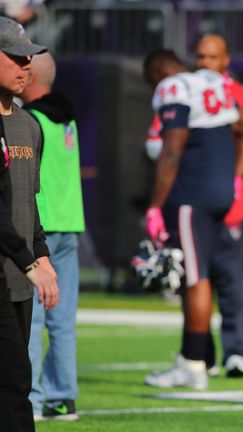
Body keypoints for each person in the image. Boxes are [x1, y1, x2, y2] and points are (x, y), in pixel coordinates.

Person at [141, 49, 243, 390]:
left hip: (194, 195)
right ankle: (191, 358)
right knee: (201, 275)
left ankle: (194, 363)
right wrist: (235, 177)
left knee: (195, 277)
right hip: (219, 194)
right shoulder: (211, 82)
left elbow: (173, 148)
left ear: (160, 72)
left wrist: (154, 205)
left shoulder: (173, 86)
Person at [0, 16, 59, 431]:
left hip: (20, 278)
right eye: (17, 57)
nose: (27, 66)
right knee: (15, 384)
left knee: (15, 385)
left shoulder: (30, 125)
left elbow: (28, 204)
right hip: (8, 271)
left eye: (30, 58)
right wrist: (27, 260)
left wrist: (42, 256)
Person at [193, 32, 243, 378]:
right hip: (193, 201)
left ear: (226, 60)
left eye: (212, 57)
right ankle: (199, 354)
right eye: (200, 57)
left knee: (230, 281)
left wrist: (234, 178)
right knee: (195, 280)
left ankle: (235, 352)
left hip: (230, 203)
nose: (205, 63)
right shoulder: (184, 90)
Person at [20, 52, 84, 421]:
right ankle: (63, 398)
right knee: (62, 319)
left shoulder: (30, 119)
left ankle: (30, 398)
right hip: (70, 223)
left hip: (39, 227)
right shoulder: (67, 116)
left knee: (30, 319)